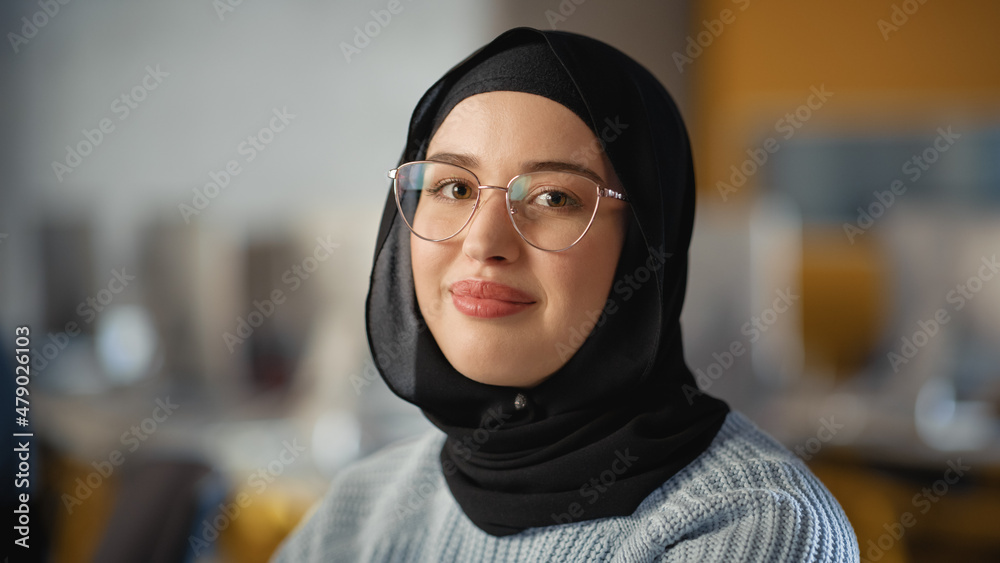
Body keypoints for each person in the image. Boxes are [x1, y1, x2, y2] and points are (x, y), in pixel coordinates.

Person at [272, 27, 859, 562]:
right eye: (452, 185)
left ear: (643, 248)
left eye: (554, 198)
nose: (484, 242)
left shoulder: (754, 527)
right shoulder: (365, 505)